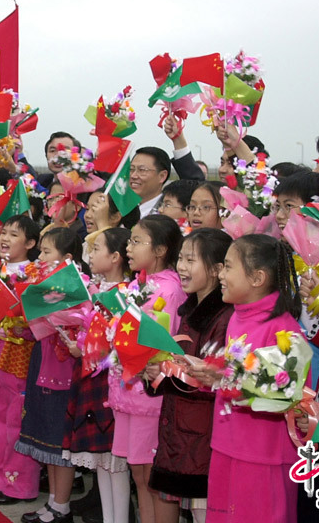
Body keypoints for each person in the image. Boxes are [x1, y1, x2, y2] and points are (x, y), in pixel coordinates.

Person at [202, 234, 302, 522]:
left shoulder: (284, 330)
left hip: (263, 455)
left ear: (257, 277)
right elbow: (237, 374)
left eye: (229, 267)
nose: (220, 273)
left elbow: (281, 395)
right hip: (227, 444)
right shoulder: (237, 316)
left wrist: (223, 374)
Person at [146, 228, 234, 523]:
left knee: (202, 509)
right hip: (177, 426)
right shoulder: (188, 310)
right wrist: (155, 373)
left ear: (217, 269)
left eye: (190, 260)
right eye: (180, 259)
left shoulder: (225, 318)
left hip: (202, 433)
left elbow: (212, 379)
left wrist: (169, 373)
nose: (181, 267)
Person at [115, 214, 187, 522]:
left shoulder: (169, 290)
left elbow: (164, 342)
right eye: (130, 240)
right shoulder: (138, 283)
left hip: (151, 391)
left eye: (136, 241)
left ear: (159, 250)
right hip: (131, 386)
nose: (128, 248)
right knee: (138, 472)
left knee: (150, 476)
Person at [16, 228, 85, 523]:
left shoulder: (77, 288)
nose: (40, 257)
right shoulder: (46, 284)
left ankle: (62, 505)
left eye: (46, 252)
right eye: (40, 251)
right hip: (44, 363)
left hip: (63, 371)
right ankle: (54, 502)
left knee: (61, 440)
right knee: (46, 436)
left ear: (67, 258)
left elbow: (82, 324)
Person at [67, 227, 132, 523]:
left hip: (110, 384)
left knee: (114, 464)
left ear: (116, 257)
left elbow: (118, 345)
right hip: (93, 380)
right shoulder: (99, 291)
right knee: (103, 464)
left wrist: (88, 352)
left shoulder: (125, 295)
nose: (90, 256)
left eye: (97, 249)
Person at [0, 215, 43, 506]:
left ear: (31, 243)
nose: (5, 238)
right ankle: (1, 477)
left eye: (14, 235)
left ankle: (21, 484)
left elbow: (42, 320)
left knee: (17, 418)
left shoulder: (36, 274)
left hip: (22, 353)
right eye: (3, 232)